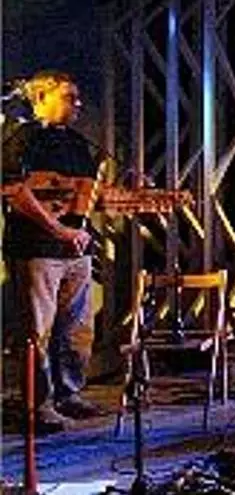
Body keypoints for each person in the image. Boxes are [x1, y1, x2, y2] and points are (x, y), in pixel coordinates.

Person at [2, 70, 104, 432]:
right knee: (38, 331)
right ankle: (39, 405)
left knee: (76, 328)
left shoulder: (77, 144)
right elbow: (13, 191)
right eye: (68, 97)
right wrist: (60, 229)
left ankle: (68, 393)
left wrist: (128, 188)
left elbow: (86, 193)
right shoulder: (23, 139)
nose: (77, 104)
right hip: (38, 248)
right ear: (41, 98)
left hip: (75, 248)